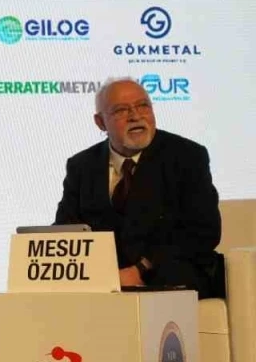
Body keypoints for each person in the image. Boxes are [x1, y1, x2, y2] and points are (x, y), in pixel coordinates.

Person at [54, 77, 223, 296]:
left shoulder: (187, 156)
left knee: (171, 277)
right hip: (106, 277)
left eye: (143, 106)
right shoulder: (82, 165)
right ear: (100, 122)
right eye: (121, 110)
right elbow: (66, 227)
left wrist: (140, 269)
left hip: (170, 269)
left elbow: (204, 230)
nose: (135, 116)